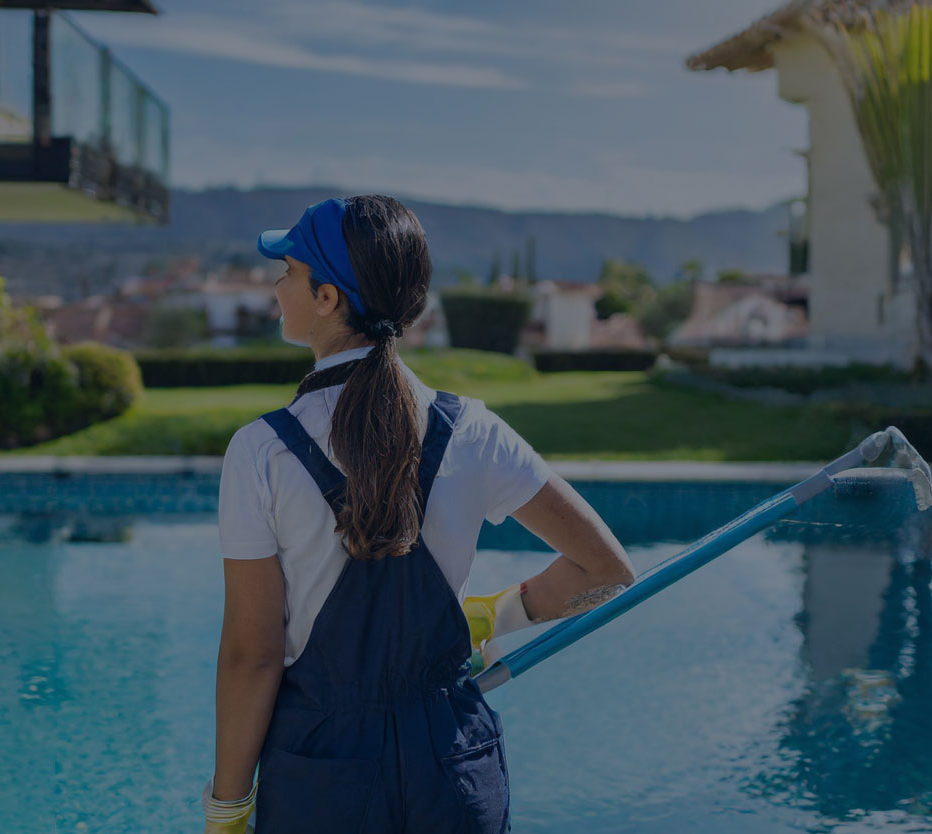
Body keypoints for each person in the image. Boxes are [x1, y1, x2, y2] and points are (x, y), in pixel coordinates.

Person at [202, 195, 635, 833]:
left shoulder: (262, 451)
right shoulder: (475, 432)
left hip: (321, 777)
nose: (276, 285)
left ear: (327, 298)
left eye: (288, 272)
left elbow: (253, 654)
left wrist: (228, 808)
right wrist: (496, 615)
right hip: (453, 771)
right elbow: (604, 569)